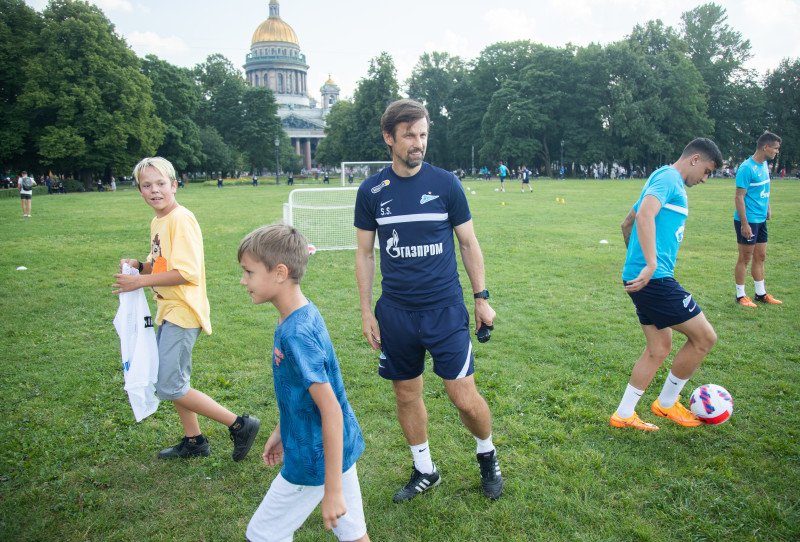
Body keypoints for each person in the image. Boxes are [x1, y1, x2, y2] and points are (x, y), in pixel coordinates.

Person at [355, 99, 503, 502]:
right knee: (405, 394)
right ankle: (425, 469)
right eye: (409, 136)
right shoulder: (371, 191)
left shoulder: (446, 184)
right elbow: (366, 254)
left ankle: (487, 454)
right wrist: (367, 310)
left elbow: (469, 243)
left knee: (463, 397)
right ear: (389, 137)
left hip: (444, 311)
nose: (418, 143)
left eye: (422, 135)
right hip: (396, 313)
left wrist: (481, 298)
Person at [112, 156, 260, 460]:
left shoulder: (181, 219)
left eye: (161, 184)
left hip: (183, 311)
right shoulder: (159, 221)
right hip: (167, 310)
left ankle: (239, 424)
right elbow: (162, 263)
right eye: (147, 185)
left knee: (169, 383)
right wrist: (139, 266)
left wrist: (139, 283)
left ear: (174, 186)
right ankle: (194, 441)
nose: (154, 190)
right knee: (172, 380)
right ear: (139, 191)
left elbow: (186, 272)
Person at [240, 224, 370, 542]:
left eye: (249, 272)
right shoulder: (299, 312)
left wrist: (333, 489)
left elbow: (330, 410)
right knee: (353, 535)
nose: (243, 281)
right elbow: (299, 392)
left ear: (280, 272)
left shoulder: (296, 333)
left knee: (263, 534)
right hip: (333, 447)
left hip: (315, 457)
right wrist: (281, 431)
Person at [611, 138, 723, 431]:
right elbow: (644, 214)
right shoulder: (669, 177)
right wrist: (648, 265)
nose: (705, 179)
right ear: (695, 159)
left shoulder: (663, 178)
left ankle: (623, 414)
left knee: (659, 347)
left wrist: (635, 265)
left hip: (646, 278)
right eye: (708, 171)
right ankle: (668, 402)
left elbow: (627, 222)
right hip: (656, 279)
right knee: (705, 338)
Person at [733, 132, 783, 308]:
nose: (777, 152)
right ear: (765, 147)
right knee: (745, 258)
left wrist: (767, 208)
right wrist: (745, 224)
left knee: (760, 256)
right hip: (748, 219)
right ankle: (740, 296)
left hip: (761, 219)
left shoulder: (764, 166)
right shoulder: (746, 168)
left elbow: (765, 189)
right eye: (775, 148)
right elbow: (739, 197)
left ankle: (760, 293)